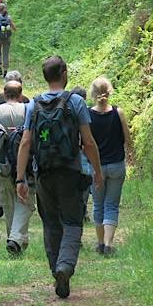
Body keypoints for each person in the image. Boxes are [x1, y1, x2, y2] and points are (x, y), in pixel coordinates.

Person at [15, 56, 103, 299]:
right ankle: (65, 266)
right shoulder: (75, 102)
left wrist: (20, 178)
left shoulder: (33, 105)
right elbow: (88, 141)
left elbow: (25, 142)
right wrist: (97, 170)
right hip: (71, 171)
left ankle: (56, 270)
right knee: (72, 222)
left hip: (43, 173)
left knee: (51, 224)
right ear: (64, 73)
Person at [89, 77, 134, 256]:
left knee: (98, 204)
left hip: (95, 167)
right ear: (110, 92)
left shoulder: (87, 115)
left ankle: (100, 243)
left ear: (93, 93)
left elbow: (84, 142)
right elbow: (127, 138)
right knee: (112, 205)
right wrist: (131, 155)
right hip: (116, 165)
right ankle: (108, 244)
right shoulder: (118, 113)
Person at [0, 80, 34, 256]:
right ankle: (15, 239)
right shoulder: (27, 109)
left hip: (2, 163)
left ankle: (14, 239)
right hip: (25, 163)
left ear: (4, 94)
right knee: (25, 200)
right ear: (21, 94)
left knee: (8, 201)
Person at [71, 86, 93, 222]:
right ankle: (82, 211)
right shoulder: (88, 111)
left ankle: (76, 210)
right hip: (84, 152)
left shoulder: (66, 111)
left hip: (70, 152)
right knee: (85, 182)